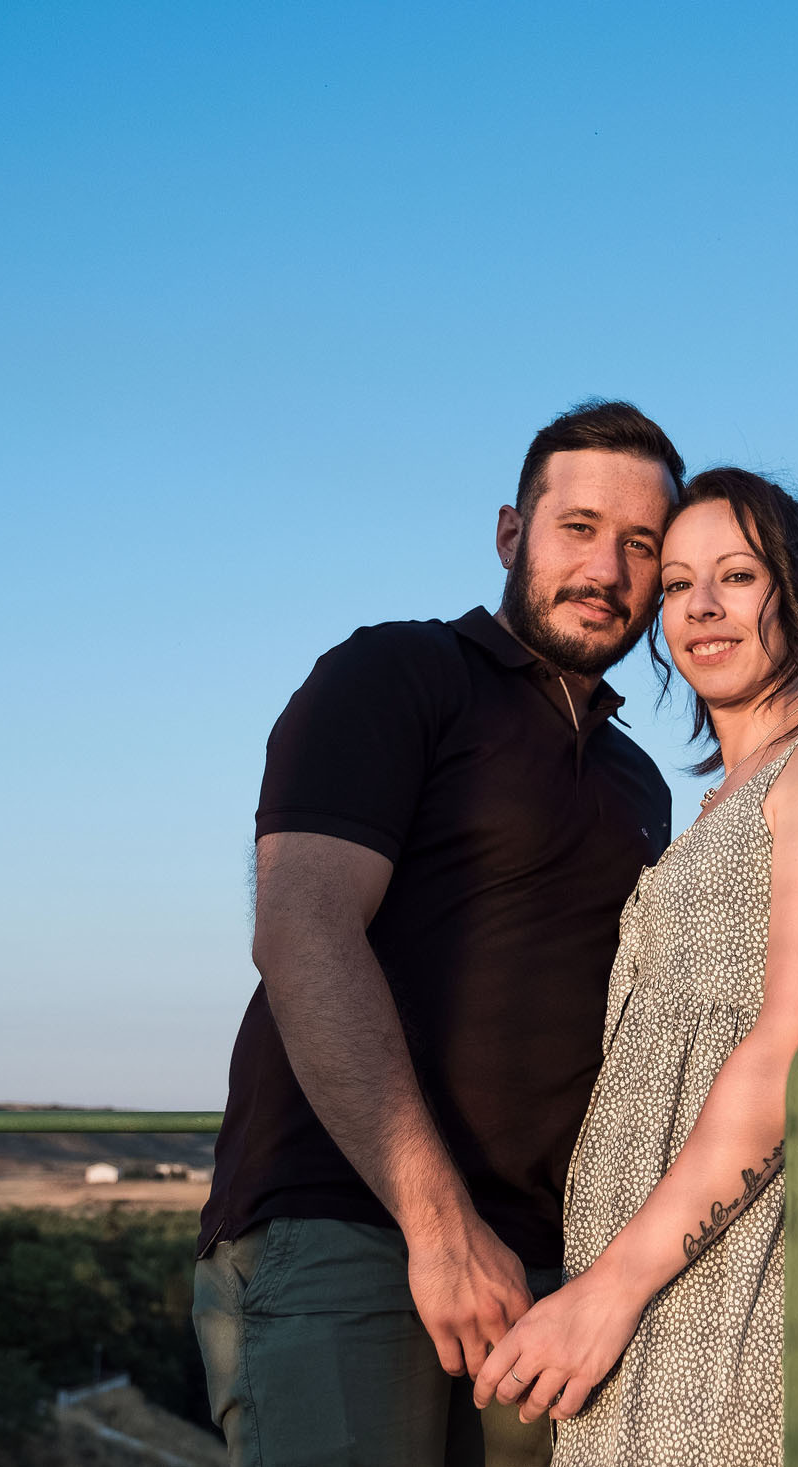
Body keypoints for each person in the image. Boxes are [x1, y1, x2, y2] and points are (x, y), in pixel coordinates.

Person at [192, 400, 686, 1467]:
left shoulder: (637, 780)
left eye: (640, 544)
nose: (606, 567)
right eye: (578, 527)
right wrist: (439, 1224)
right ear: (511, 534)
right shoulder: (396, 674)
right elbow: (303, 929)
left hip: (540, 1276)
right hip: (348, 1221)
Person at [472, 467, 798, 1466]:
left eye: (738, 576)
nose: (701, 608)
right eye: (676, 584)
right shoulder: (707, 808)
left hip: (727, 1285)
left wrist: (609, 1291)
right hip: (641, 1281)